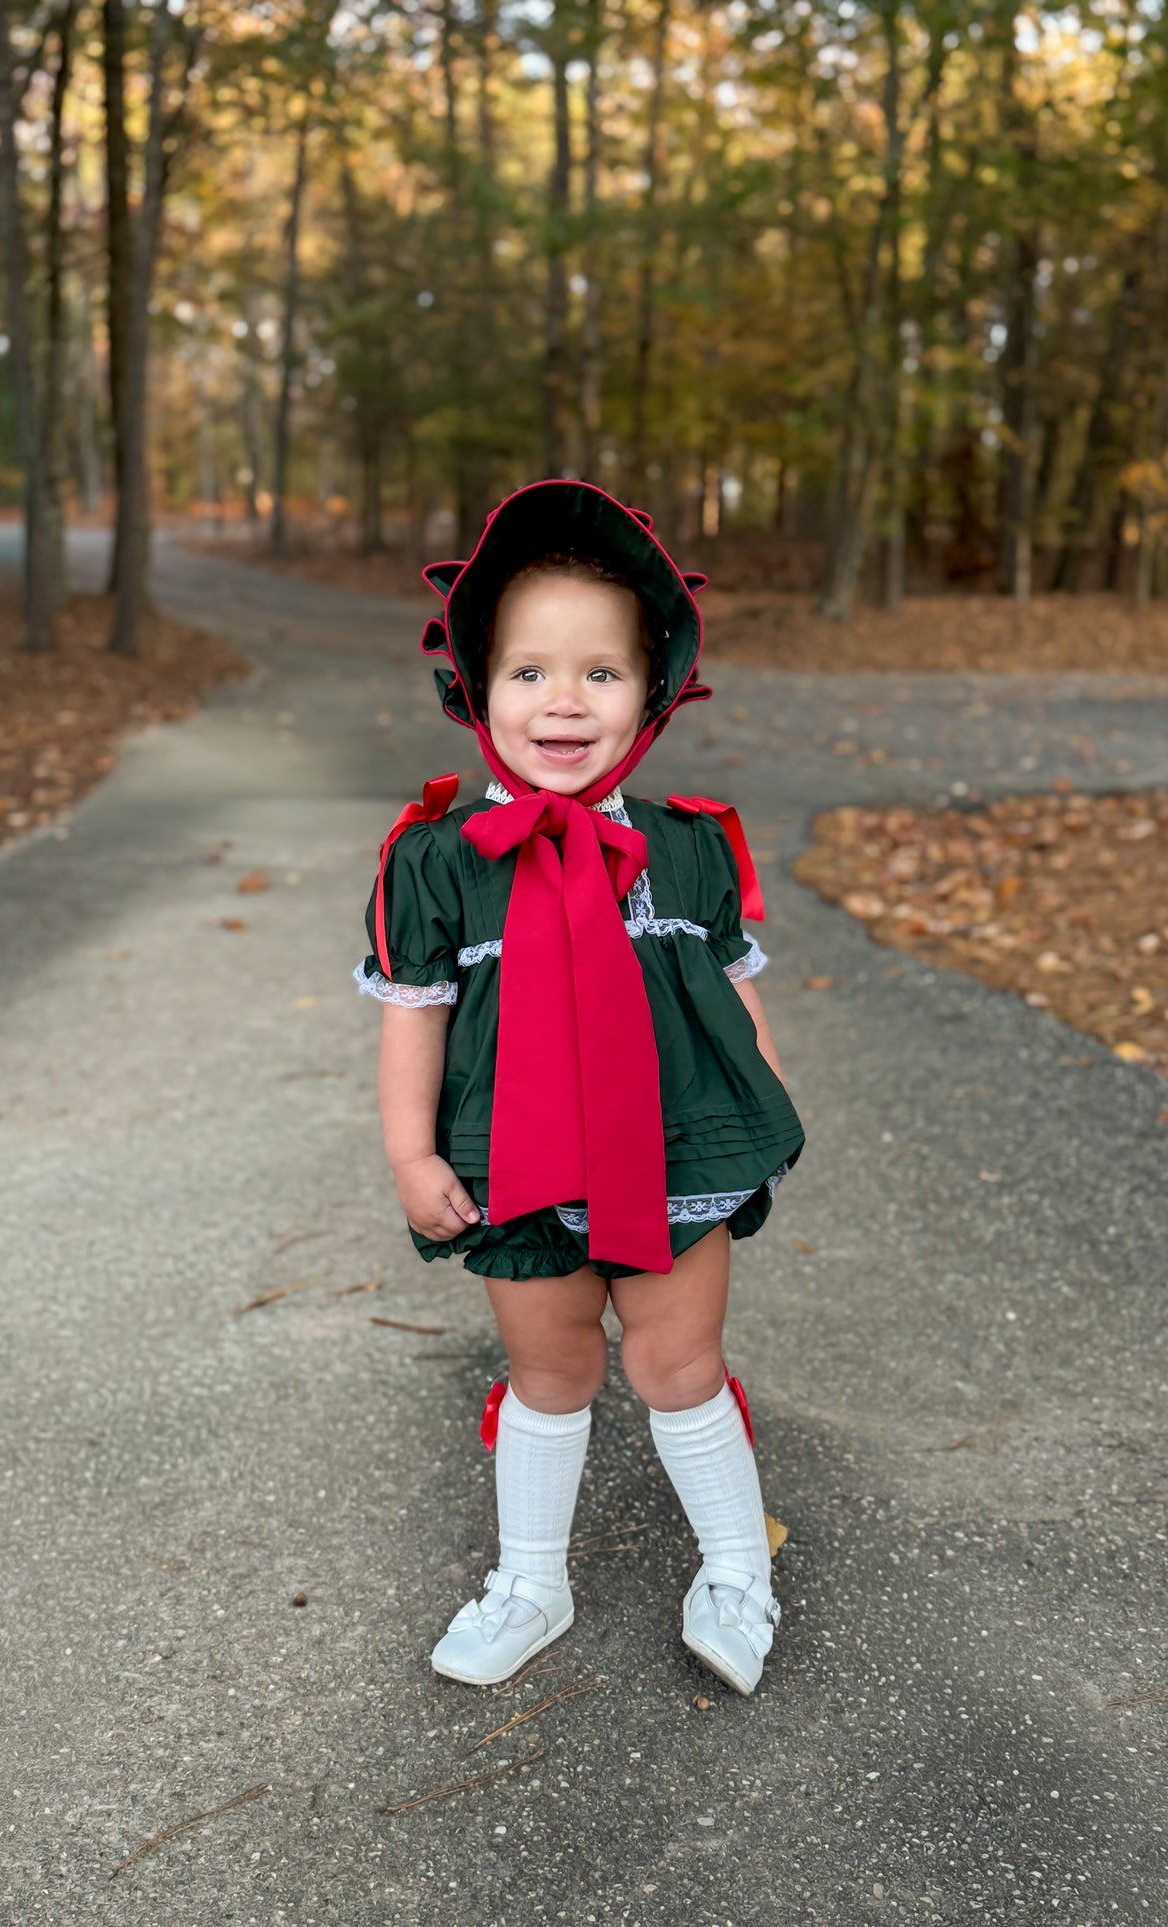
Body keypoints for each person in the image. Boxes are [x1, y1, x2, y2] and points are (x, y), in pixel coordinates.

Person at [352, 479, 806, 1696]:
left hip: (676, 1152)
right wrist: (411, 1155)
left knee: (676, 1363)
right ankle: (531, 1580)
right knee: (550, 1370)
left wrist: (760, 1118)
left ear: (651, 692)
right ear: (475, 688)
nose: (563, 700)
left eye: (600, 672)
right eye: (529, 672)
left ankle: (734, 1570)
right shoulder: (435, 862)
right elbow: (413, 1020)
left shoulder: (689, 844)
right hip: (514, 1161)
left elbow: (735, 997)